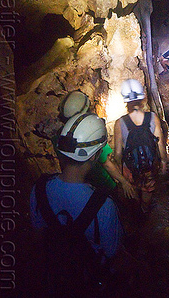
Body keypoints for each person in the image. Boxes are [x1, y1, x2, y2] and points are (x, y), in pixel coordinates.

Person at [30, 113, 124, 291]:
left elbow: (38, 238)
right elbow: (113, 253)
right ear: (93, 156)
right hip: (88, 283)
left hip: (53, 280)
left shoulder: (39, 189)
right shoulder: (104, 206)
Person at [56, 90, 136, 198]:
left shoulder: (59, 137)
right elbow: (106, 163)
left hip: (79, 186)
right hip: (102, 184)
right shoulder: (89, 133)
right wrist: (123, 181)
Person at [114, 79, 168, 213]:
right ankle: (145, 212)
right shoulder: (152, 117)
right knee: (147, 195)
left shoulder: (120, 123)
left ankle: (136, 213)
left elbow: (118, 153)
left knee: (132, 195)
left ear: (125, 100)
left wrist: (120, 175)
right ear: (142, 97)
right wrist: (163, 162)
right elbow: (160, 143)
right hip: (149, 168)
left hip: (130, 169)